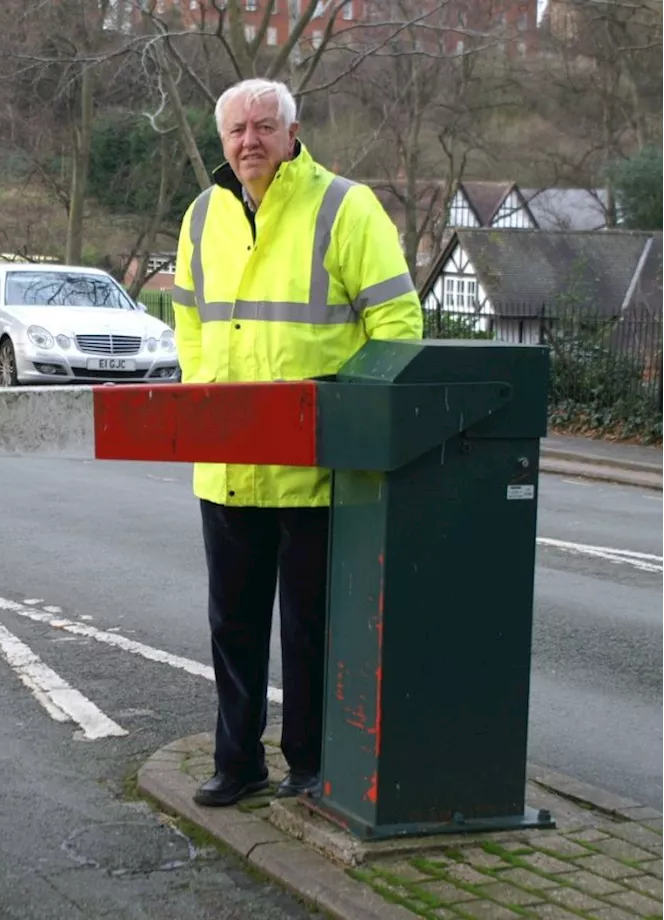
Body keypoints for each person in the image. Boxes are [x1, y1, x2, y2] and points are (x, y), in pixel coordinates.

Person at [170, 78, 423, 807]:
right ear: (223, 142)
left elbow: (397, 329)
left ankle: (311, 766)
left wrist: (354, 423)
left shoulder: (345, 206)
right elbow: (189, 317)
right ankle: (237, 763)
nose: (249, 141)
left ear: (293, 131)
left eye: (263, 127)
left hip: (315, 470)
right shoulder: (202, 215)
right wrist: (200, 388)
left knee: (312, 634)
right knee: (233, 628)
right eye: (236, 130)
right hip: (226, 467)